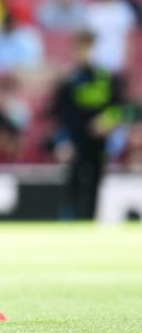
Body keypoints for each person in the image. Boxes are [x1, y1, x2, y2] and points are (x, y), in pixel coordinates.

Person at [52, 30, 126, 220]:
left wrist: (107, 121)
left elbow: (120, 108)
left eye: (88, 48)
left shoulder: (107, 78)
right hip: (76, 142)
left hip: (99, 142)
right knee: (73, 183)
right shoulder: (69, 80)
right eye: (81, 48)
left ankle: (91, 221)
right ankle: (69, 221)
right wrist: (63, 140)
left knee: (96, 184)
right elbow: (60, 114)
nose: (84, 53)